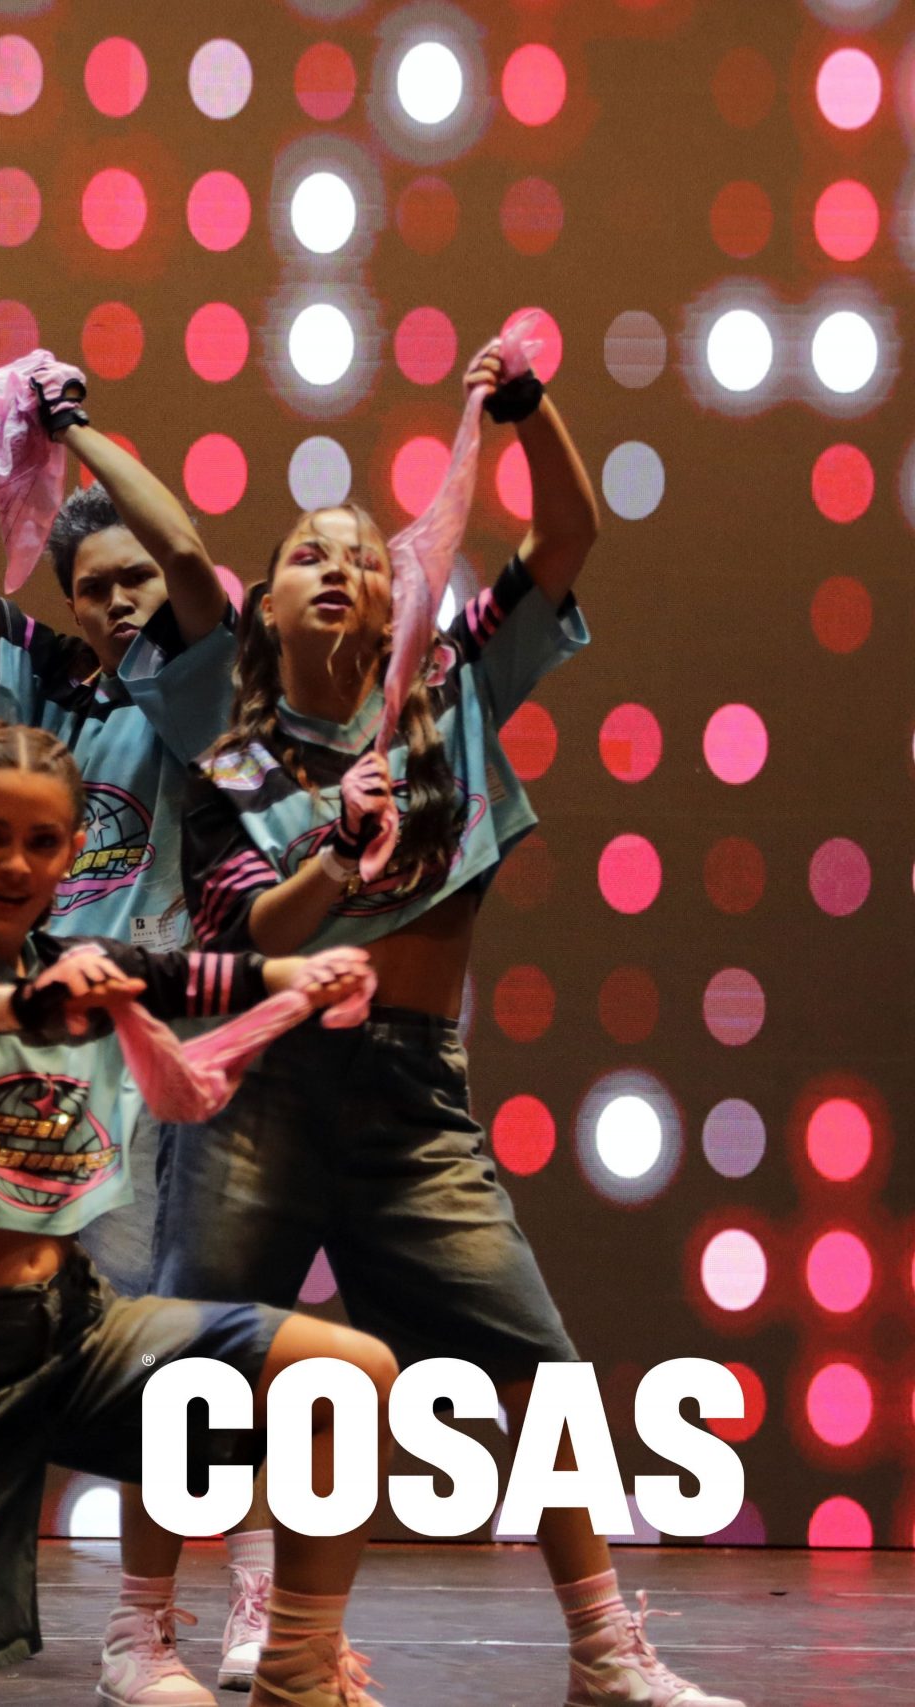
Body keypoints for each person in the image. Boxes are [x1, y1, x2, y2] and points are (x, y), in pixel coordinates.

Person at [164, 344, 741, 1707]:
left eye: (365, 555)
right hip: (263, 1098)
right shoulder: (230, 764)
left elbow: (570, 533)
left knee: (537, 1364)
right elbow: (256, 936)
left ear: (396, 598)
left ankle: (604, 1647)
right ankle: (155, 1630)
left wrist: (527, 411)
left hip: (411, 1097)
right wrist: (335, 847)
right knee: (195, 1371)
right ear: (262, 610)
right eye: (307, 553)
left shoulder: (452, 696)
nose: (339, 567)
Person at [0, 722, 395, 1707]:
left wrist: (298, 977)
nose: (15, 863)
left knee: (347, 1376)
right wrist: (22, 1005)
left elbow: (191, 975)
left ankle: (296, 1670)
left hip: (78, 1334)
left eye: (42, 841)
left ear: (73, 852)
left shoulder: (80, 960)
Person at [0, 357, 247, 1695]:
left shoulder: (201, 675)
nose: (118, 601)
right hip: (52, 1040)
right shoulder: (52, 678)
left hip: (168, 1034)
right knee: (45, 1312)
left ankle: (234, 1583)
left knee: (185, 1315)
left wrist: (80, 434)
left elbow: (192, 551)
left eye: (131, 583)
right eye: (93, 586)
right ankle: (9, 1586)